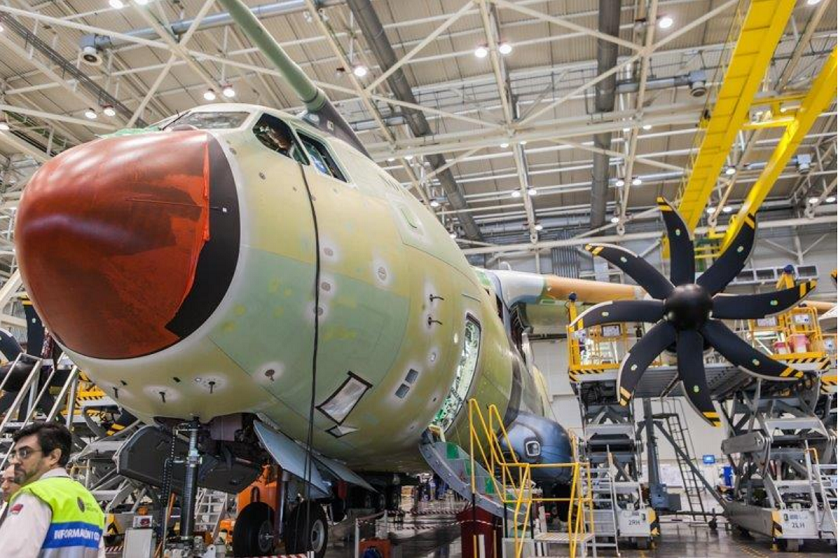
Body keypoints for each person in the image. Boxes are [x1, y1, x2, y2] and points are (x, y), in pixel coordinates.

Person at [0, 422, 105, 557]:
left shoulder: (34, 496)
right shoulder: (88, 499)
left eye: (24, 453)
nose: (15, 461)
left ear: (53, 457)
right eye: (14, 454)